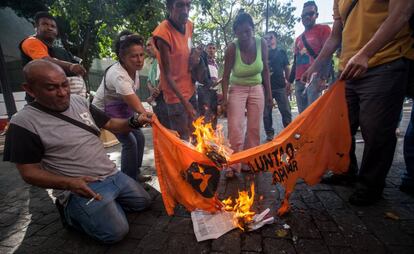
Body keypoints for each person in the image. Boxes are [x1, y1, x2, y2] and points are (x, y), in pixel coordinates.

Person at [3, 60, 152, 243]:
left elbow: (111, 124)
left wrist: (135, 121)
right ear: (30, 89)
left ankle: (105, 206)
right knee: (116, 233)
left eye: (65, 84)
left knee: (144, 202)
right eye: (51, 88)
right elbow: (29, 172)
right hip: (81, 186)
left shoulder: (80, 101)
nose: (63, 93)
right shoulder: (23, 122)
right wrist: (69, 183)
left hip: (111, 174)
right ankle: (71, 213)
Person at [302, 0, 414, 205]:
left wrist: (365, 53)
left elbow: (402, 13)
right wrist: (315, 66)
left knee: (376, 130)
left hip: (384, 61)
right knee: (339, 126)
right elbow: (336, 36)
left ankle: (370, 185)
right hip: (348, 68)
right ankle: (346, 171)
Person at [92, 31, 151, 183]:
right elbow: (134, 102)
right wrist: (149, 116)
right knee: (129, 141)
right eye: (133, 56)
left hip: (120, 110)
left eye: (141, 55)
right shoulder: (118, 74)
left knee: (139, 137)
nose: (139, 60)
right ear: (122, 57)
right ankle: (128, 180)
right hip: (102, 113)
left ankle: (134, 173)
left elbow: (132, 98)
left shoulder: (134, 70)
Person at [221, 12, 272, 178]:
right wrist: (225, 98)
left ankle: (249, 162)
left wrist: (269, 95)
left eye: (248, 31)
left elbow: (265, 71)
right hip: (237, 88)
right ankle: (232, 165)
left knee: (254, 129)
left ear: (253, 29)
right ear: (235, 32)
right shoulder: (231, 48)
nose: (244, 36)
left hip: (257, 88)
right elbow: (226, 76)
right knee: (235, 128)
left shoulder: (261, 43)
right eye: (240, 32)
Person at [152, 0, 197, 141]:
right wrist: (186, 103)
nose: (185, 10)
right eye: (180, 5)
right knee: (183, 139)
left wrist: (195, 55)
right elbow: (167, 75)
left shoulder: (189, 25)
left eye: (188, 5)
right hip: (176, 98)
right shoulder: (163, 34)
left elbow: (188, 50)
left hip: (190, 91)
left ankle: (198, 163)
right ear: (170, 6)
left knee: (196, 135)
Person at [19, 11, 87, 102]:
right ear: (36, 27)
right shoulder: (31, 41)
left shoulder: (58, 50)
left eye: (53, 26)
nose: (49, 28)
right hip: (43, 101)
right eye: (45, 24)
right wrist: (71, 66)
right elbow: (45, 61)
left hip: (65, 99)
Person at [293, 1, 331, 113]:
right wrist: (290, 82)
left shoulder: (323, 29)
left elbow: (328, 54)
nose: (307, 17)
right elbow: (295, 61)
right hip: (299, 80)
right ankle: (303, 132)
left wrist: (323, 78)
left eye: (310, 13)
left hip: (315, 77)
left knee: (314, 113)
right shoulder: (298, 38)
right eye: (304, 15)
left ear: (316, 15)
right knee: (302, 115)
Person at [263, 31, 292, 141]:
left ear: (275, 39)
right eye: (266, 38)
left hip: (280, 86)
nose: (268, 40)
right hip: (265, 87)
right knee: (266, 113)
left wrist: (289, 82)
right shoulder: (262, 54)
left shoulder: (281, 52)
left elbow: (287, 68)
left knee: (285, 111)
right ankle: (269, 134)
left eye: (271, 38)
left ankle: (288, 132)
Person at [145, 37, 171, 129]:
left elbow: (164, 78)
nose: (147, 48)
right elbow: (148, 80)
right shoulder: (152, 62)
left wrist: (152, 96)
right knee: (159, 124)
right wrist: (152, 90)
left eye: (149, 45)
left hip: (164, 98)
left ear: (156, 46)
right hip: (156, 99)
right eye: (146, 46)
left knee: (166, 126)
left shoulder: (163, 59)